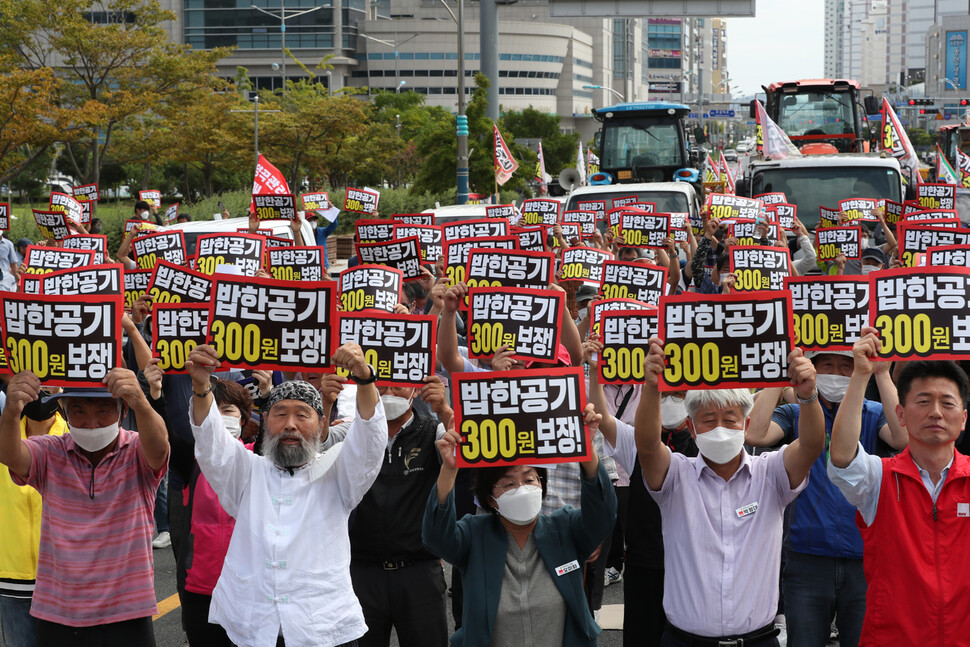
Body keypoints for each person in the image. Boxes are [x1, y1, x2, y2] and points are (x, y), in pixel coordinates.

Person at [185, 342, 387, 647]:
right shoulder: (247, 471)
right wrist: (201, 387)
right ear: (266, 422)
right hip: (252, 627)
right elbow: (210, 441)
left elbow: (371, 439)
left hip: (322, 628)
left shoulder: (339, 474)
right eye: (280, 414)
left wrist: (364, 377)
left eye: (302, 415)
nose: (290, 425)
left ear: (321, 424)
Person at [635, 338, 826, 646]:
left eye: (730, 419)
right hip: (685, 640)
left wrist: (807, 397)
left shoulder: (771, 473)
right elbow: (646, 445)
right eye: (709, 421)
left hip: (758, 640)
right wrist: (651, 387)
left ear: (746, 423)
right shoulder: (675, 475)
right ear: (691, 428)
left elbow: (811, 446)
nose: (720, 428)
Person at [746, 349, 906, 647]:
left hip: (865, 561)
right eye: (827, 365)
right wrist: (781, 373)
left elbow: (902, 438)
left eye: (847, 366)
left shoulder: (872, 412)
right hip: (806, 560)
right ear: (813, 368)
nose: (837, 372)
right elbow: (754, 433)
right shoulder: (796, 413)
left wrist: (882, 373)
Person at [422, 404, 617, 647]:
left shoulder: (565, 527)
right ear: (490, 499)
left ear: (541, 484)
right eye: (508, 484)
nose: (522, 489)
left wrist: (586, 451)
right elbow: (436, 537)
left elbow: (602, 517)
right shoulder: (475, 533)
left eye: (529, 479)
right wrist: (449, 470)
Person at [0, 369, 169, 645]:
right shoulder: (50, 452)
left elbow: (160, 447)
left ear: (122, 410)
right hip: (58, 612)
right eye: (78, 411)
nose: (91, 423)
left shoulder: (138, 450)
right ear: (65, 414)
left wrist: (141, 399)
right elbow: (10, 455)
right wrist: (11, 411)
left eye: (103, 411)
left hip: (128, 611)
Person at [828, 328, 970, 646]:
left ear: (963, 419)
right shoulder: (879, 478)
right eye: (923, 401)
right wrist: (861, 374)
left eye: (947, 403)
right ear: (901, 414)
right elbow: (841, 457)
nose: (935, 411)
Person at [347, 377, 452, 647]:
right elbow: (319, 445)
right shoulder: (351, 435)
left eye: (398, 386)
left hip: (420, 572)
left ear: (415, 390)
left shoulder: (433, 433)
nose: (388, 393)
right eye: (380, 387)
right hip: (361, 572)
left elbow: (465, 447)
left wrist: (444, 409)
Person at [0, 392, 67, 647]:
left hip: (63, 579)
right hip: (11, 578)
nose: (42, 390)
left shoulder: (75, 436)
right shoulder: (4, 437)